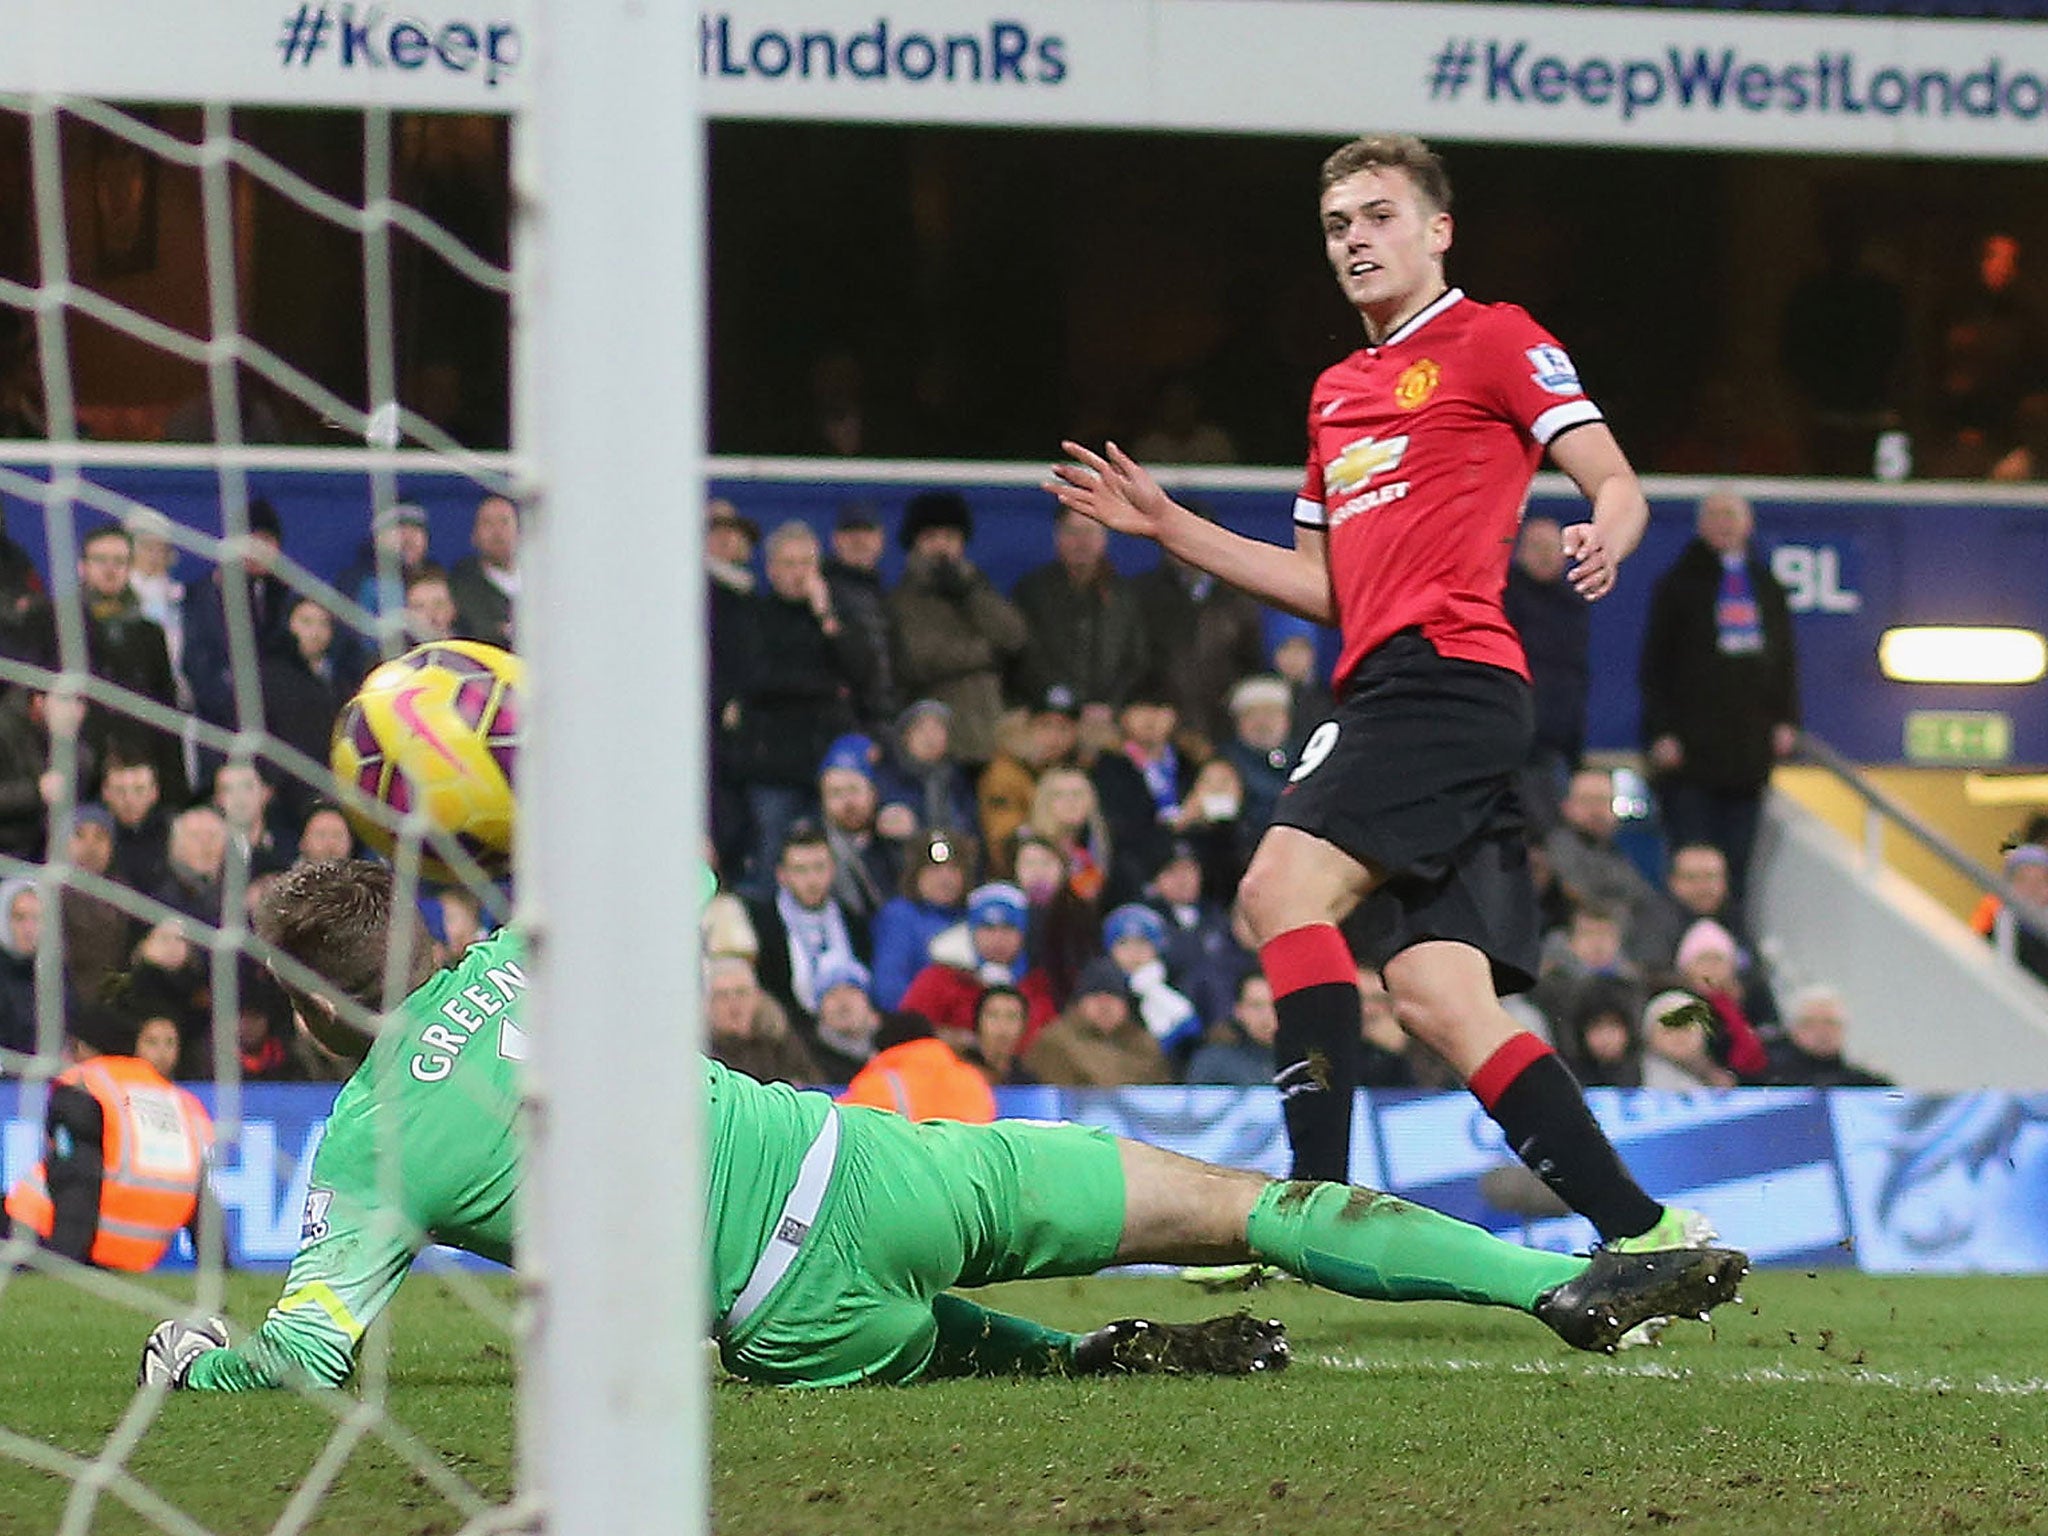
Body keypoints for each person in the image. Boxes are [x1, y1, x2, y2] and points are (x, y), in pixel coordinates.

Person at [139, 859, 1748, 1392]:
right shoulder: (513, 948)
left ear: (301, 1016)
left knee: (972, 1365)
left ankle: (1084, 1362)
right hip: (876, 1167)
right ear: (418, 944)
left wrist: (189, 1362)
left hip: (789, 1321)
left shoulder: (360, 1149)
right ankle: (1552, 1288)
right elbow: (700, 887)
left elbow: (315, 1354)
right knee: (1242, 1206)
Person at [1046, 133, 1711, 1254]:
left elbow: (1610, 475)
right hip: (1394, 682)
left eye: (1377, 215)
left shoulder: (1493, 339)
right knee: (1440, 999)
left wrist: (1611, 528)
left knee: (1273, 889)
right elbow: (1321, 586)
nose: (1354, 238)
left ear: (1436, 229)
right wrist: (1169, 526)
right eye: (1336, 225)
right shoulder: (1335, 396)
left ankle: (1314, 1209)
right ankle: (1647, 1234)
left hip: (1445, 679)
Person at [1639, 490, 1800, 919]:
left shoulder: (1766, 587)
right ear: (1700, 525)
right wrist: (1661, 731)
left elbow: (1784, 659)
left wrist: (1786, 719)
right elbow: (1656, 666)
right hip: (1691, 757)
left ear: (1748, 524)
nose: (1724, 523)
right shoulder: (1678, 586)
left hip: (1747, 757)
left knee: (1738, 868)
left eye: (1731, 515)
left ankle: (1731, 952)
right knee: (1692, 861)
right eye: (1715, 515)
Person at [5, 1001, 213, 1270]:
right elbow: (203, 1203)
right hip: (134, 1255)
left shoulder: (88, 1088)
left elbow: (77, 1182)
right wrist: (221, 1269)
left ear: (81, 1048)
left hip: (45, 1236)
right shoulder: (184, 1105)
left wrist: (62, 1266)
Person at [884, 492, 1027, 768]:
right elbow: (920, 659)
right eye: (931, 537)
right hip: (939, 740)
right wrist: (988, 652)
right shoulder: (904, 599)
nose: (941, 547)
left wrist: (969, 591)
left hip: (991, 736)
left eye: (949, 537)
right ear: (915, 543)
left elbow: (1015, 636)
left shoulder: (977, 588)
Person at [76, 523, 189, 806]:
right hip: (81, 776)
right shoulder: (56, 624)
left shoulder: (150, 633)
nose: (110, 569)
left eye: (119, 562)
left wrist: (175, 792)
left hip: (141, 777)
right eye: (100, 560)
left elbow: (166, 712)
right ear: (82, 567)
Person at [1010, 504, 1152, 714]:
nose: (1081, 542)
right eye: (1072, 532)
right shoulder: (1032, 591)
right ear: (1057, 536)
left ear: (1104, 539)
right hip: (1046, 713)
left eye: (1090, 532)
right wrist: (1058, 698)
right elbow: (1025, 654)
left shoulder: (1125, 595)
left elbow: (1136, 661)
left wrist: (1110, 705)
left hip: (1110, 715)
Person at [1502, 515, 1590, 834]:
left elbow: (1578, 675)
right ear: (1520, 550)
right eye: (1536, 547)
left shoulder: (1573, 605)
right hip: (1512, 740)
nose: (1545, 555)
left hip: (1557, 744)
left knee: (1558, 834)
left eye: (1553, 548)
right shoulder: (1502, 598)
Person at [1021, 957, 1173, 1089]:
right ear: (1079, 1002)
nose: (1105, 1005)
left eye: (1112, 996)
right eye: (1095, 996)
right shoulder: (1055, 1042)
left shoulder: (1144, 1044)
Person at [1766, 984, 1892, 1088]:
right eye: (1809, 1023)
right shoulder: (1770, 1084)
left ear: (1843, 1028)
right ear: (1793, 1030)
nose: (1821, 1031)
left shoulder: (1867, 1086)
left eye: (1830, 1023)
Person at [447, 493, 519, 649]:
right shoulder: (460, 585)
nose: (497, 532)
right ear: (474, 536)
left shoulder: (544, 578)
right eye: (487, 523)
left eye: (504, 522)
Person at [1185, 972, 1279, 1088]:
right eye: (1256, 1006)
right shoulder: (1213, 1063)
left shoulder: (1305, 1063)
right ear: (1238, 1011)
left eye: (1275, 1005)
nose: (1267, 1016)